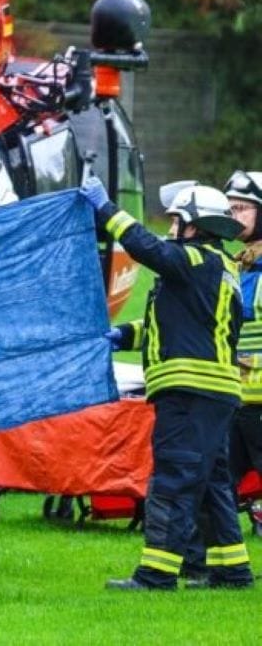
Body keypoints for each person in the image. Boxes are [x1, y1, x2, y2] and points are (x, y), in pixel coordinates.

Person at [86, 175, 254, 590]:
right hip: (216, 393)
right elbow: (182, 324)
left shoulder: (194, 259)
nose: (171, 228)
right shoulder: (221, 267)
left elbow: (148, 248)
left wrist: (106, 209)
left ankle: (156, 574)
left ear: (196, 226)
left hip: (189, 392)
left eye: (177, 220)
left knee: (173, 480)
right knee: (212, 483)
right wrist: (126, 335)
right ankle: (231, 570)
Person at [225, 170, 262, 537]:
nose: (234, 216)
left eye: (242, 209)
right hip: (236, 398)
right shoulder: (239, 263)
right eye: (230, 209)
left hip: (259, 401)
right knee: (218, 480)